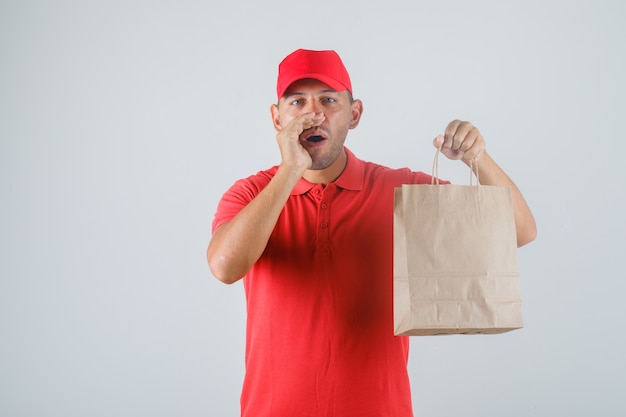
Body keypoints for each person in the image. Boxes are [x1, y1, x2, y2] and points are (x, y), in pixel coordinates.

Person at [207, 48, 537, 417]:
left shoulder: (401, 190)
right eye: (297, 102)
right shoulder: (250, 194)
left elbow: (519, 230)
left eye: (328, 100)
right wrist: (290, 170)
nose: (313, 114)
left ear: (355, 113)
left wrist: (480, 158)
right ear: (276, 117)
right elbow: (224, 267)